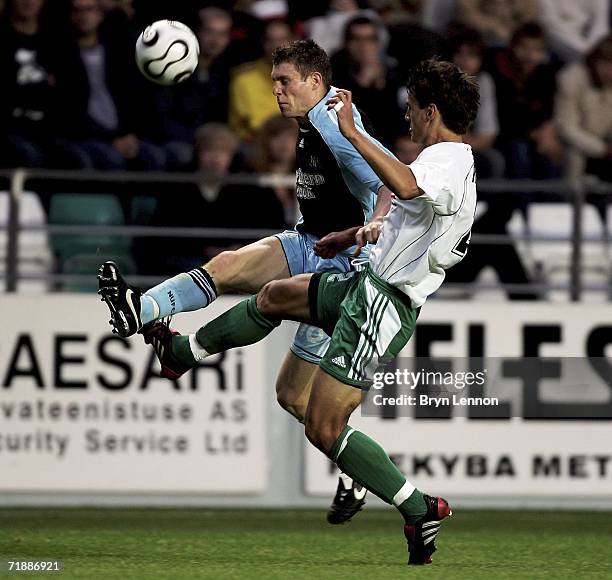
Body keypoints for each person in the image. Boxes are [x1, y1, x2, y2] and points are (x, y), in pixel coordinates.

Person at [134, 58, 480, 565]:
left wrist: (350, 131)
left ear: (430, 112)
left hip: (381, 307)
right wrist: (355, 232)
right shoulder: (448, 162)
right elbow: (411, 214)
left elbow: (404, 186)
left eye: (410, 109)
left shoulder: (446, 159)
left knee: (323, 427)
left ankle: (418, 506)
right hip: (366, 284)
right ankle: (181, 353)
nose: (406, 118)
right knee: (275, 295)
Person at [98, 39, 394, 524]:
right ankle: (142, 309)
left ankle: (360, 473)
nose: (276, 90)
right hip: (308, 242)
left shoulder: (335, 124)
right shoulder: (313, 117)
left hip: (343, 269)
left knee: (297, 398)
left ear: (315, 82)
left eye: (285, 81)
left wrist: (375, 224)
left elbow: (388, 180)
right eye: (273, 81)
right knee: (229, 267)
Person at [228, 18, 294, 141]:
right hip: (255, 144)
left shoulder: (305, 79)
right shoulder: (243, 80)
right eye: (271, 40)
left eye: (282, 40)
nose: (277, 46)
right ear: (263, 43)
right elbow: (255, 125)